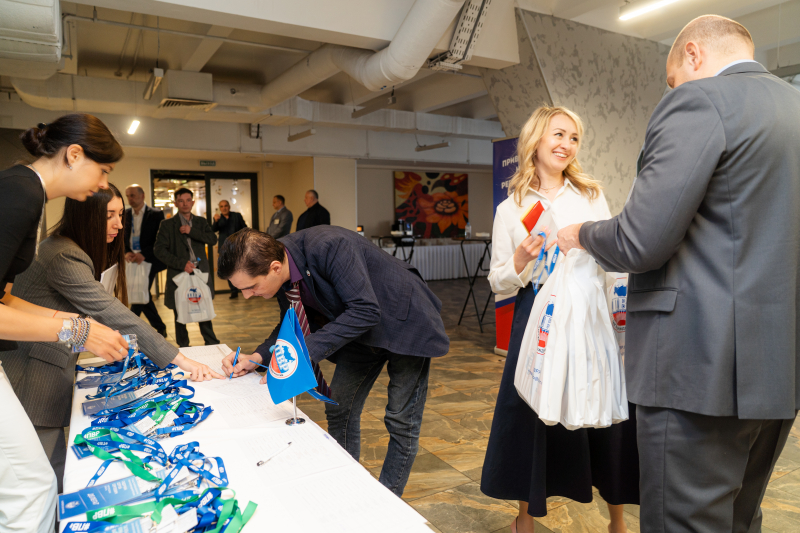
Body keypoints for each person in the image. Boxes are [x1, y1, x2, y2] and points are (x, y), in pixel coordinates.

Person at [556, 15, 800, 533]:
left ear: (693, 54)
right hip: (780, 369)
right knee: (739, 519)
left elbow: (639, 240)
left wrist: (582, 234)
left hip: (698, 366)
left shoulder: (699, 101)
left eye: (672, 79)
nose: (673, 89)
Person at [4, 182, 223, 492]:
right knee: (42, 480)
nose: (119, 224)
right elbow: (110, 311)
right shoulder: (64, 254)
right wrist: (180, 359)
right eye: (109, 215)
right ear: (85, 215)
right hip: (32, 374)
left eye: (121, 215)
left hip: (46, 362)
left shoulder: (68, 247)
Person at [481, 106, 639, 533]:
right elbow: (498, 282)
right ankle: (525, 517)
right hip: (536, 314)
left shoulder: (589, 196)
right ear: (536, 140)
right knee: (529, 414)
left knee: (604, 407)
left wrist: (619, 316)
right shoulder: (510, 209)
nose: (567, 145)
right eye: (559, 134)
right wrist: (520, 259)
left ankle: (617, 521)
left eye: (574, 138)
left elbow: (612, 257)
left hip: (588, 312)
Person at [217, 226, 449, 497]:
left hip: (406, 320)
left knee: (400, 420)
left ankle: (387, 498)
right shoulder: (278, 263)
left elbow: (365, 309)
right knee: (340, 407)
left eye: (251, 287)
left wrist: (299, 355)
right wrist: (257, 357)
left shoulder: (330, 246)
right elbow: (291, 321)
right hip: (360, 327)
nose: (247, 295)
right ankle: (345, 485)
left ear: (275, 268)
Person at [0, 114, 131, 533]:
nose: (102, 182)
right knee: (32, 490)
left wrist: (68, 319)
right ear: (74, 154)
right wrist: (74, 330)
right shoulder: (21, 193)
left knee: (32, 486)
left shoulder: (27, 192)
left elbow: (3, 297)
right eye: (103, 170)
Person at [154, 188, 220, 347]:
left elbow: (212, 239)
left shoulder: (200, 222)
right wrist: (181, 264)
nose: (185, 204)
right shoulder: (167, 225)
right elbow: (159, 250)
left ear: (193, 202)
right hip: (179, 273)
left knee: (204, 310)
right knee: (180, 312)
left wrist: (192, 231)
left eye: (188, 200)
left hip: (200, 273)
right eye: (181, 201)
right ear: (176, 203)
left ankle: (212, 344)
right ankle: (183, 347)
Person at [124, 184, 168, 336]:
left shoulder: (156, 214)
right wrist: (126, 252)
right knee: (142, 293)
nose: (130, 199)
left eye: (132, 195)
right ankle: (160, 326)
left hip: (148, 260)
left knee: (139, 292)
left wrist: (144, 254)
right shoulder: (125, 214)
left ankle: (128, 327)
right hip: (132, 260)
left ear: (142, 196)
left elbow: (159, 239)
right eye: (128, 196)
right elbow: (122, 237)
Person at [212, 199, 247, 298]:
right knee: (228, 269)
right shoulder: (218, 218)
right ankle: (233, 290)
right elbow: (213, 230)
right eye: (222, 206)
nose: (224, 208)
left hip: (237, 246)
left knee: (241, 268)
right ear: (220, 208)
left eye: (226, 206)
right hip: (224, 248)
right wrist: (215, 221)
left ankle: (245, 288)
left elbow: (245, 228)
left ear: (229, 206)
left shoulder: (237, 216)